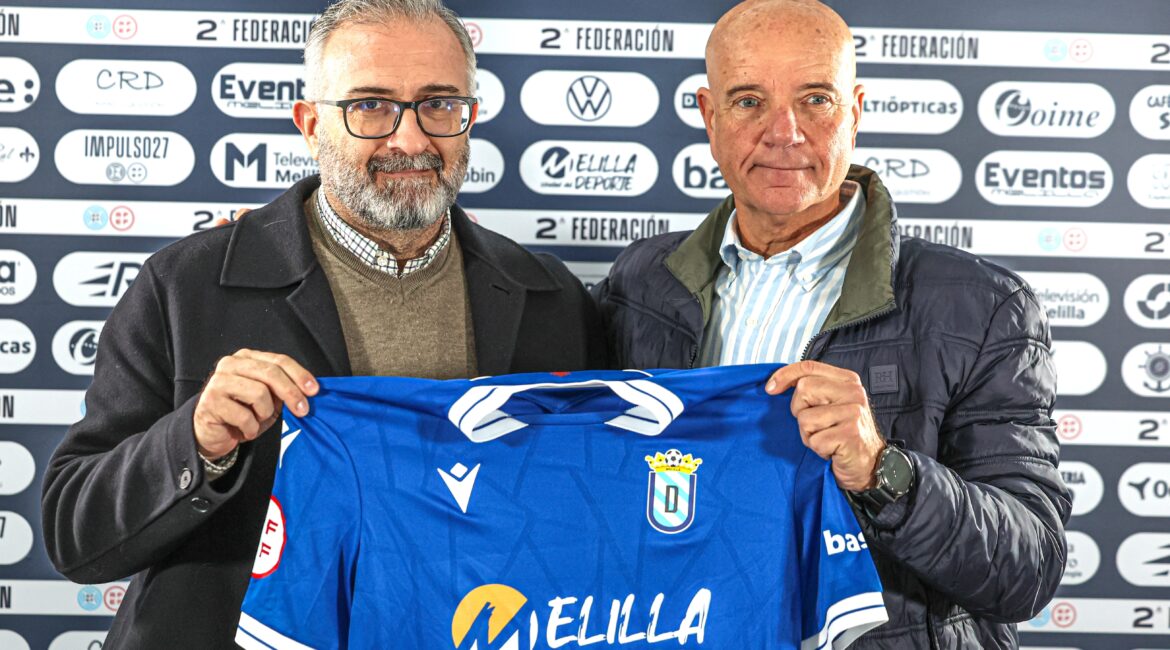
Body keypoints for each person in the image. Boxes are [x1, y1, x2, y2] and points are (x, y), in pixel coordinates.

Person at [41, 0, 603, 646]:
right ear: (311, 125)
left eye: (439, 104)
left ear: (468, 116)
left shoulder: (551, 299)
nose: (411, 141)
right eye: (371, 106)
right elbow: (73, 534)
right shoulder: (184, 285)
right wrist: (194, 444)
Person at [593, 1, 1071, 647]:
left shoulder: (984, 306)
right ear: (710, 116)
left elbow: (1029, 570)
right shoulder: (640, 283)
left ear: (856, 111)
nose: (783, 132)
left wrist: (882, 471)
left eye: (815, 99)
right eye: (748, 101)